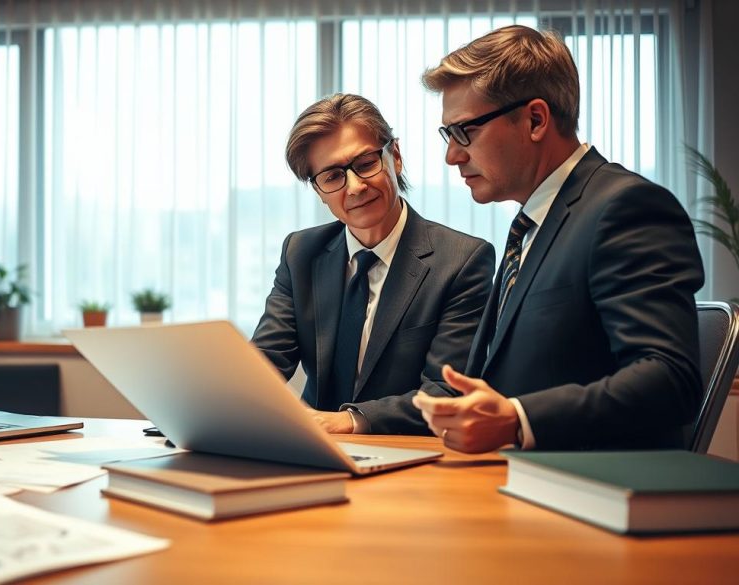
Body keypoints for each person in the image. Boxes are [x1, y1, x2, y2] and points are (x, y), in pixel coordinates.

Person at [412, 25, 704, 453]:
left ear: (535, 120)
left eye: (464, 132)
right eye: (448, 135)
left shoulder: (627, 208)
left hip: (587, 496)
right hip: (513, 480)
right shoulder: (532, 225)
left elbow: (669, 379)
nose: (452, 156)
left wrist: (518, 420)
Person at [251, 93, 495, 434]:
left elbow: (443, 390)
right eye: (333, 177)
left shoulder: (462, 261)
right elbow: (265, 363)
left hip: (409, 456)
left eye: (365, 164)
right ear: (318, 190)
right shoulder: (300, 253)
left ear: (394, 156)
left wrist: (350, 420)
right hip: (314, 450)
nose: (354, 187)